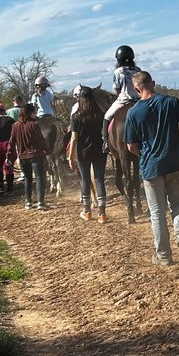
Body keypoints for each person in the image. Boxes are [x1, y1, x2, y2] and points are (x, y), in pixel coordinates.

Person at [124, 70, 179, 265]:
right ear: (153, 83)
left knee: (157, 213)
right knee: (178, 204)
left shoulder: (133, 112)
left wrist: (145, 155)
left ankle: (164, 255)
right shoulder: (172, 102)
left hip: (150, 167)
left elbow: (130, 146)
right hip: (174, 162)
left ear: (137, 89)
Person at [68, 85, 110, 223]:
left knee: (85, 180)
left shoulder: (76, 116)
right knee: (99, 180)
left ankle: (87, 212)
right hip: (99, 151)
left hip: (83, 152)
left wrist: (71, 155)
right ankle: (102, 214)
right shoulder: (101, 115)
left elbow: (74, 138)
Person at [10, 102, 52, 209]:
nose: (36, 114)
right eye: (34, 112)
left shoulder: (15, 126)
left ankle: (28, 202)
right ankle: (40, 203)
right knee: (40, 178)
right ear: (30, 113)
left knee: (28, 179)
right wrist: (48, 151)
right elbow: (41, 141)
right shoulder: (34, 125)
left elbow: (11, 142)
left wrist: (9, 156)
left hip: (23, 157)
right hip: (36, 156)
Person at [102, 45, 141, 130]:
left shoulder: (118, 71)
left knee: (107, 117)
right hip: (139, 100)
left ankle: (104, 141)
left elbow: (117, 89)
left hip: (124, 100)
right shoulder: (138, 70)